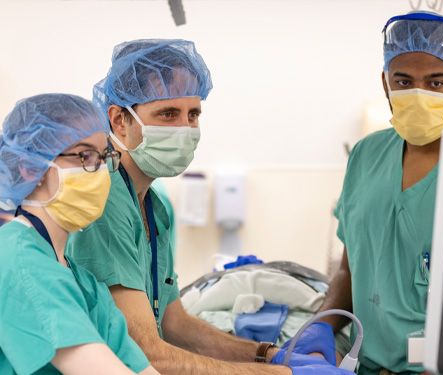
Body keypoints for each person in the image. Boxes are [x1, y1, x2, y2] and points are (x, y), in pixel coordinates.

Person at [66, 39, 354, 375]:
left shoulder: (152, 207)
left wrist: (270, 353)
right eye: (167, 114)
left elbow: (174, 325)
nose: (185, 129)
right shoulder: (104, 202)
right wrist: (284, 373)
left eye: (193, 114)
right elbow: (147, 353)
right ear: (118, 120)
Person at [277, 11, 443, 375]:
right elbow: (350, 269)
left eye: (435, 83)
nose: (417, 94)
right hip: (369, 366)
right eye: (404, 81)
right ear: (386, 84)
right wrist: (322, 324)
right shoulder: (366, 155)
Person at [0, 93, 160, 375]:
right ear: (28, 168)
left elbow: (140, 369)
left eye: (103, 156)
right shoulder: (17, 259)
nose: (98, 170)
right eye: (84, 155)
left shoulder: (84, 282)